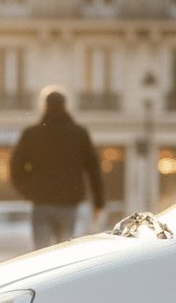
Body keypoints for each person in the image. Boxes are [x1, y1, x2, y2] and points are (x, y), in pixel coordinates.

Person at [9, 86, 105, 249]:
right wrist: (98, 203)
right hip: (68, 204)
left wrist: (29, 191)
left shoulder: (32, 133)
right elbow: (94, 170)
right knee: (64, 253)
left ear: (44, 107)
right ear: (65, 107)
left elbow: (15, 168)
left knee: (41, 253)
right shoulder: (79, 133)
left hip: (41, 203)